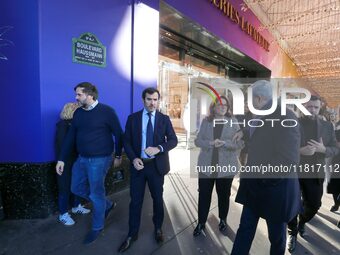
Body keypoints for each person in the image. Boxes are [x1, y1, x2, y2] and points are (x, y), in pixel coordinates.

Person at [231, 80, 301, 255]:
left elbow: (289, 160)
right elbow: (257, 130)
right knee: (245, 229)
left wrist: (262, 176)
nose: (247, 104)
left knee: (276, 238)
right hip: (254, 188)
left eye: (249, 99)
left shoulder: (286, 117)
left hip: (274, 190)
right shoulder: (260, 112)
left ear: (260, 99)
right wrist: (244, 132)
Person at [56, 82, 123, 244]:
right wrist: (62, 159)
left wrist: (119, 155)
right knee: (75, 187)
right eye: (76, 94)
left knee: (96, 193)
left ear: (90, 95)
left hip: (100, 159)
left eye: (79, 94)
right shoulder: (78, 113)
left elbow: (119, 135)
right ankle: (106, 204)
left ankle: (97, 227)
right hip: (82, 158)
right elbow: (70, 137)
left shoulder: (107, 111)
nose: (76, 97)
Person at [118, 87, 178, 253]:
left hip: (156, 167)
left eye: (155, 99)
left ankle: (158, 229)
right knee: (135, 201)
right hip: (139, 166)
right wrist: (133, 158)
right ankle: (132, 234)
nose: (152, 103)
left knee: (157, 199)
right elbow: (127, 141)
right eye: (149, 99)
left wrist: (159, 148)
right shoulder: (133, 118)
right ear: (143, 100)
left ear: (158, 100)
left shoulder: (164, 119)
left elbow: (173, 140)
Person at [287, 95, 338, 253]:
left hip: (315, 172)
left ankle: (302, 222)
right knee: (291, 204)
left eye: (315, 107)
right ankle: (292, 232)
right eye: (309, 107)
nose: (312, 110)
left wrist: (324, 150)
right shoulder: (292, 123)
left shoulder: (327, 126)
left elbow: (335, 148)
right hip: (294, 171)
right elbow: (281, 147)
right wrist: (299, 151)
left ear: (319, 107)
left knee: (315, 204)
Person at [193, 96, 243, 236]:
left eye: (225, 105)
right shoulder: (206, 121)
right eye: (220, 105)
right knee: (204, 195)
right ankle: (201, 222)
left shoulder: (233, 122)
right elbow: (198, 141)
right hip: (206, 166)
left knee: (223, 195)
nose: (222, 107)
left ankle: (222, 219)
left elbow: (240, 144)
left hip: (226, 167)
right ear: (213, 107)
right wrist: (209, 143)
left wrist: (225, 143)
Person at [55, 102, 90, 226]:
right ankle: (63, 214)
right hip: (65, 163)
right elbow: (62, 146)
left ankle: (76, 206)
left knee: (76, 185)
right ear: (71, 111)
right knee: (64, 189)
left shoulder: (75, 126)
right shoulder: (63, 126)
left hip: (76, 161)